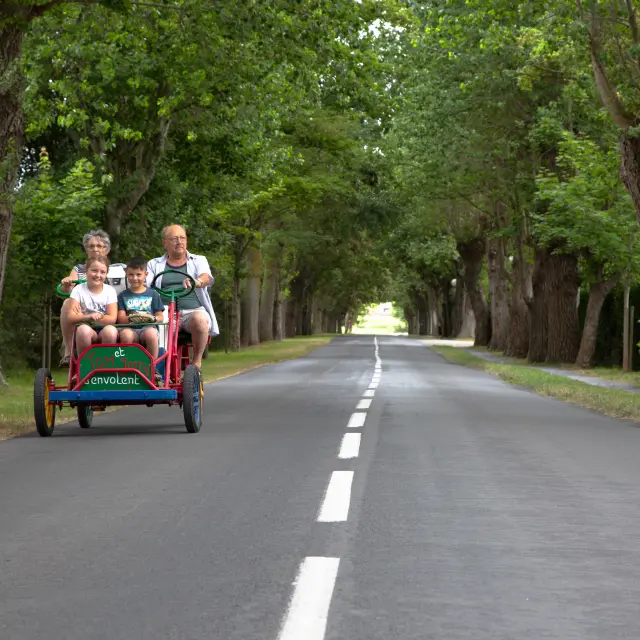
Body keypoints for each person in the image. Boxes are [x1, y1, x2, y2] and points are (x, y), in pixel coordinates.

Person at [146, 224, 219, 369]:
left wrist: (196, 282)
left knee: (200, 319)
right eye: (174, 238)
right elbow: (146, 285)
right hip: (165, 312)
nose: (179, 242)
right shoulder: (154, 264)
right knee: (153, 331)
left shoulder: (198, 260)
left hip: (192, 311)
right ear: (164, 243)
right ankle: (159, 369)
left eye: (182, 238)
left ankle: (196, 362)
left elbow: (206, 277)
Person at [58, 230, 126, 366]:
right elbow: (69, 285)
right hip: (84, 313)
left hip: (111, 312)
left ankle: (108, 365)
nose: (95, 249)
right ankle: (69, 353)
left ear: (106, 249)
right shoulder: (79, 269)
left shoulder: (119, 268)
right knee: (67, 302)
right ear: (86, 249)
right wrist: (67, 283)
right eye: (91, 246)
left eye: (99, 246)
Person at [117, 257, 164, 382]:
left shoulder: (153, 294)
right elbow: (121, 319)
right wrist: (133, 318)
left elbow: (160, 317)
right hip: (129, 328)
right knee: (126, 334)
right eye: (131, 274)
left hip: (147, 327)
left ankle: (152, 368)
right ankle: (127, 367)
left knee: (152, 334)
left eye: (138, 274)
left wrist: (151, 318)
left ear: (146, 275)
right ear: (126, 274)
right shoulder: (123, 295)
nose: (135, 278)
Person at [67, 256, 118, 355]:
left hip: (104, 329)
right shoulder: (78, 290)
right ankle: (85, 365)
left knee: (110, 331)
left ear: (106, 274)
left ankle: (105, 364)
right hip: (86, 330)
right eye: (94, 270)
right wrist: (88, 316)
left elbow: (112, 318)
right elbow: (71, 317)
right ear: (86, 271)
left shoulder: (110, 291)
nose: (98, 275)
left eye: (102, 272)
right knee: (83, 330)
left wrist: (82, 317)